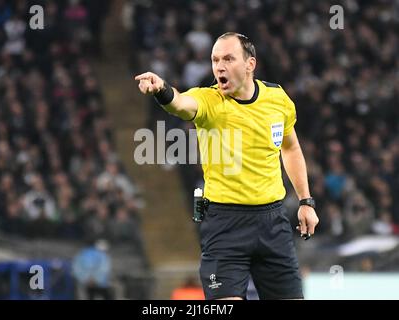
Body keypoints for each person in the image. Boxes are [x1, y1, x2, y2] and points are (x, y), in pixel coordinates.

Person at [135, 32, 319, 300]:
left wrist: (306, 201)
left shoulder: (278, 99)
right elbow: (180, 104)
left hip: (273, 224)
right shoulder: (209, 101)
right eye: (215, 60)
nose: (219, 66)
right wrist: (162, 90)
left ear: (250, 64)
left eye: (228, 59)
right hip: (225, 226)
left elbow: (290, 148)